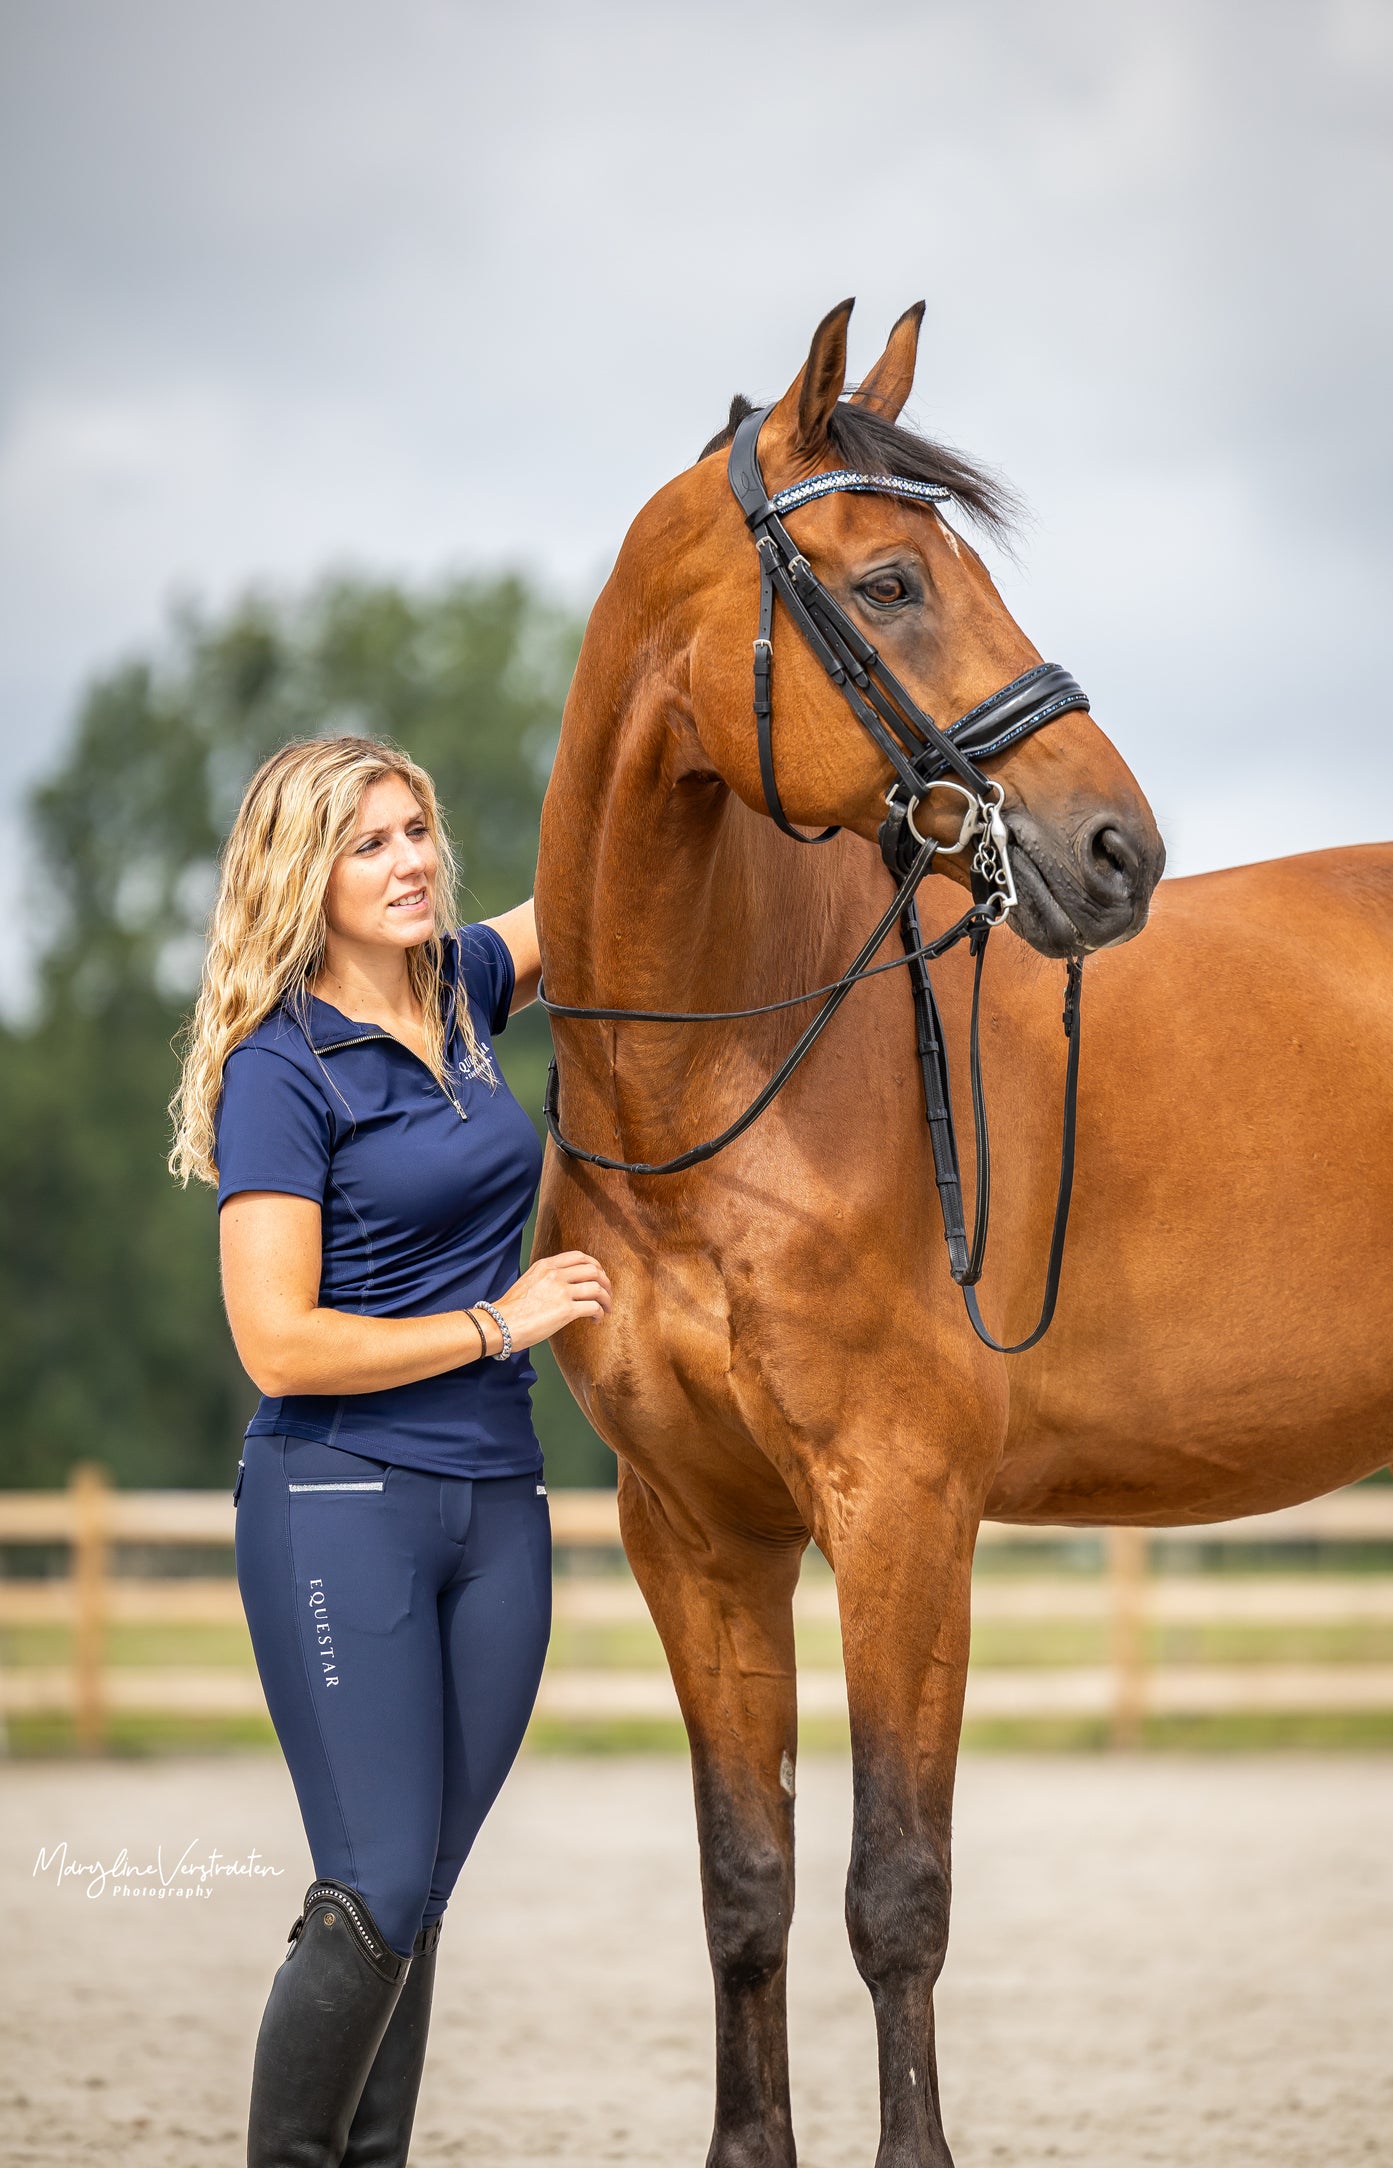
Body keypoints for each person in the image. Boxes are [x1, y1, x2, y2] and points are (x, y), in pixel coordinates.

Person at [169, 734, 611, 2167]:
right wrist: (502, 1321)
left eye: (417, 828)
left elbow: (603, 896)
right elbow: (277, 1342)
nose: (412, 860)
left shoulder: (465, 994)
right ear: (308, 875)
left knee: (415, 1893)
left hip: (498, 1512)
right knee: (369, 1885)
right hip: (337, 1500)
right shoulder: (280, 1071)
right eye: (370, 843)